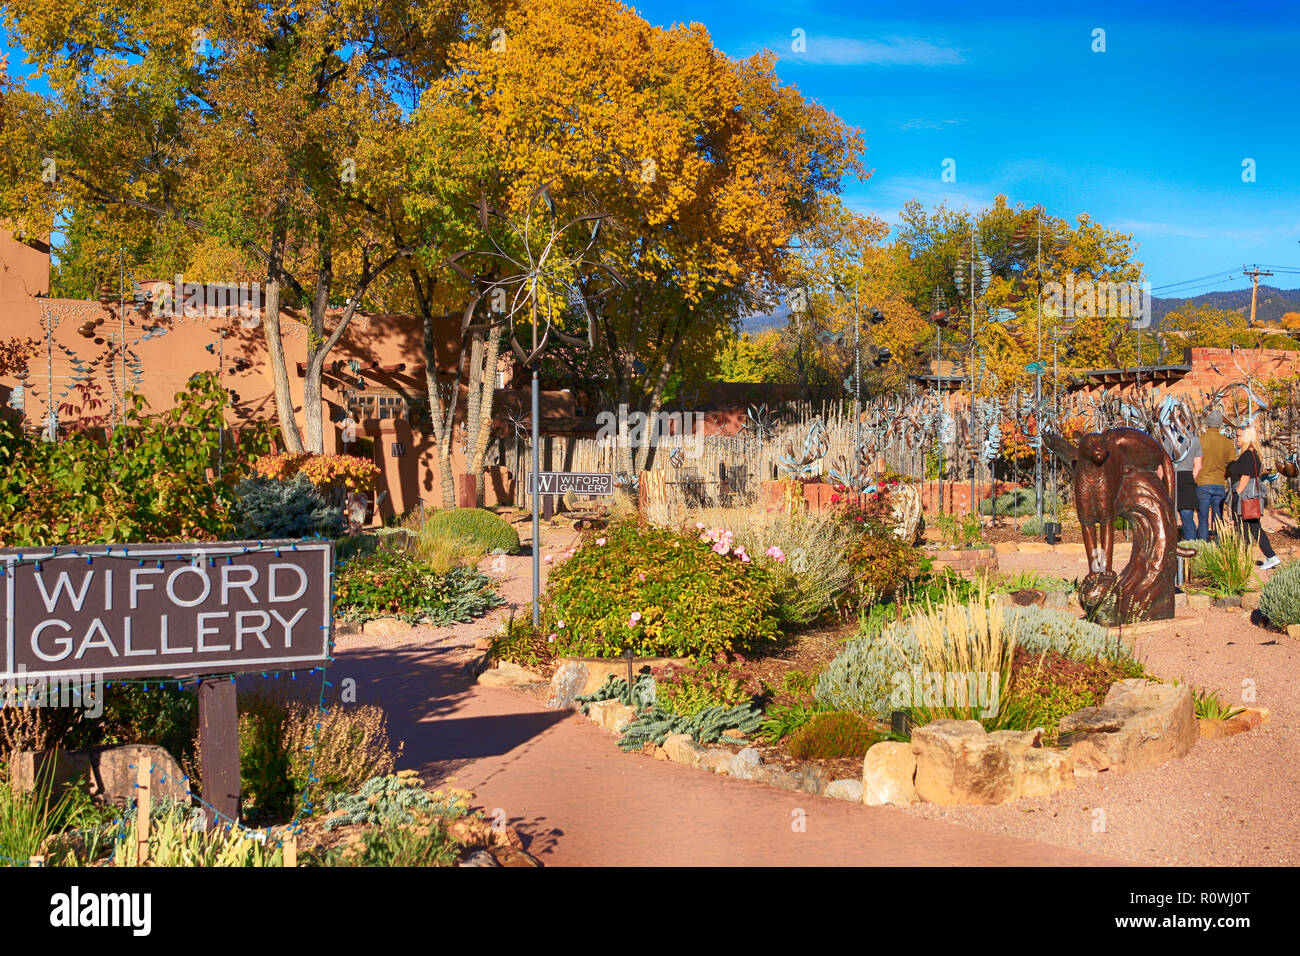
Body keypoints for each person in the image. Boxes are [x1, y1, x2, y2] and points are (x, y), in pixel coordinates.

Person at [1228, 422, 1280, 569]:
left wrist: (1237, 492)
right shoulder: (1253, 453)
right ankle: (1269, 556)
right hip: (1250, 495)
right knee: (1252, 527)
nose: (1236, 438)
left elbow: (1245, 476)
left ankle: (1265, 557)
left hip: (1245, 495)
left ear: (1246, 437)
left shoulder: (1247, 455)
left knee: (1247, 527)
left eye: (1238, 436)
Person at [1193, 407, 1234, 540]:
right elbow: (1232, 464)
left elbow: (1194, 462)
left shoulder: (1199, 440)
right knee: (1218, 518)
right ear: (1220, 424)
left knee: (1203, 518)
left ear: (1208, 422)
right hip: (1219, 482)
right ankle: (1219, 545)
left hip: (1202, 483)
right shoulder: (1227, 443)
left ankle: (1203, 547)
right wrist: (1224, 475)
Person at [1174, 433, 1201, 540]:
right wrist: (1190, 478)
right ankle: (1191, 546)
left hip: (1172, 476)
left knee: (1169, 518)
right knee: (1187, 518)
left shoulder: (1167, 437)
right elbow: (1198, 466)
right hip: (1187, 478)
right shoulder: (1194, 440)